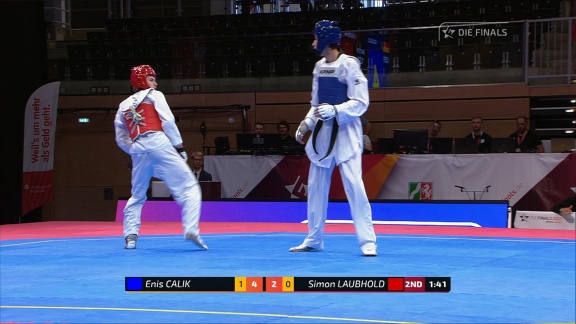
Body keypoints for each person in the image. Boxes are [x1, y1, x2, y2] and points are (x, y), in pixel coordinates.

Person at [291, 20, 377, 256]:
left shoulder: (349, 65)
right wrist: (307, 122)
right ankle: (314, 238)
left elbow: (361, 103)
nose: (313, 43)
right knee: (316, 188)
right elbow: (315, 103)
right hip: (323, 133)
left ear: (327, 40)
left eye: (316, 38)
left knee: (355, 186)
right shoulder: (319, 67)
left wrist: (337, 110)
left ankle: (367, 241)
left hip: (347, 132)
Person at [114, 64, 208, 250]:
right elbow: (168, 121)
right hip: (158, 142)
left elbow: (120, 137)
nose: (155, 83)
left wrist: (133, 149)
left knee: (137, 195)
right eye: (151, 79)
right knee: (189, 188)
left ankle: (130, 237)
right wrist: (179, 147)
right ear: (141, 81)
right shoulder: (155, 95)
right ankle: (191, 229)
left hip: (139, 150)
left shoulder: (123, 106)